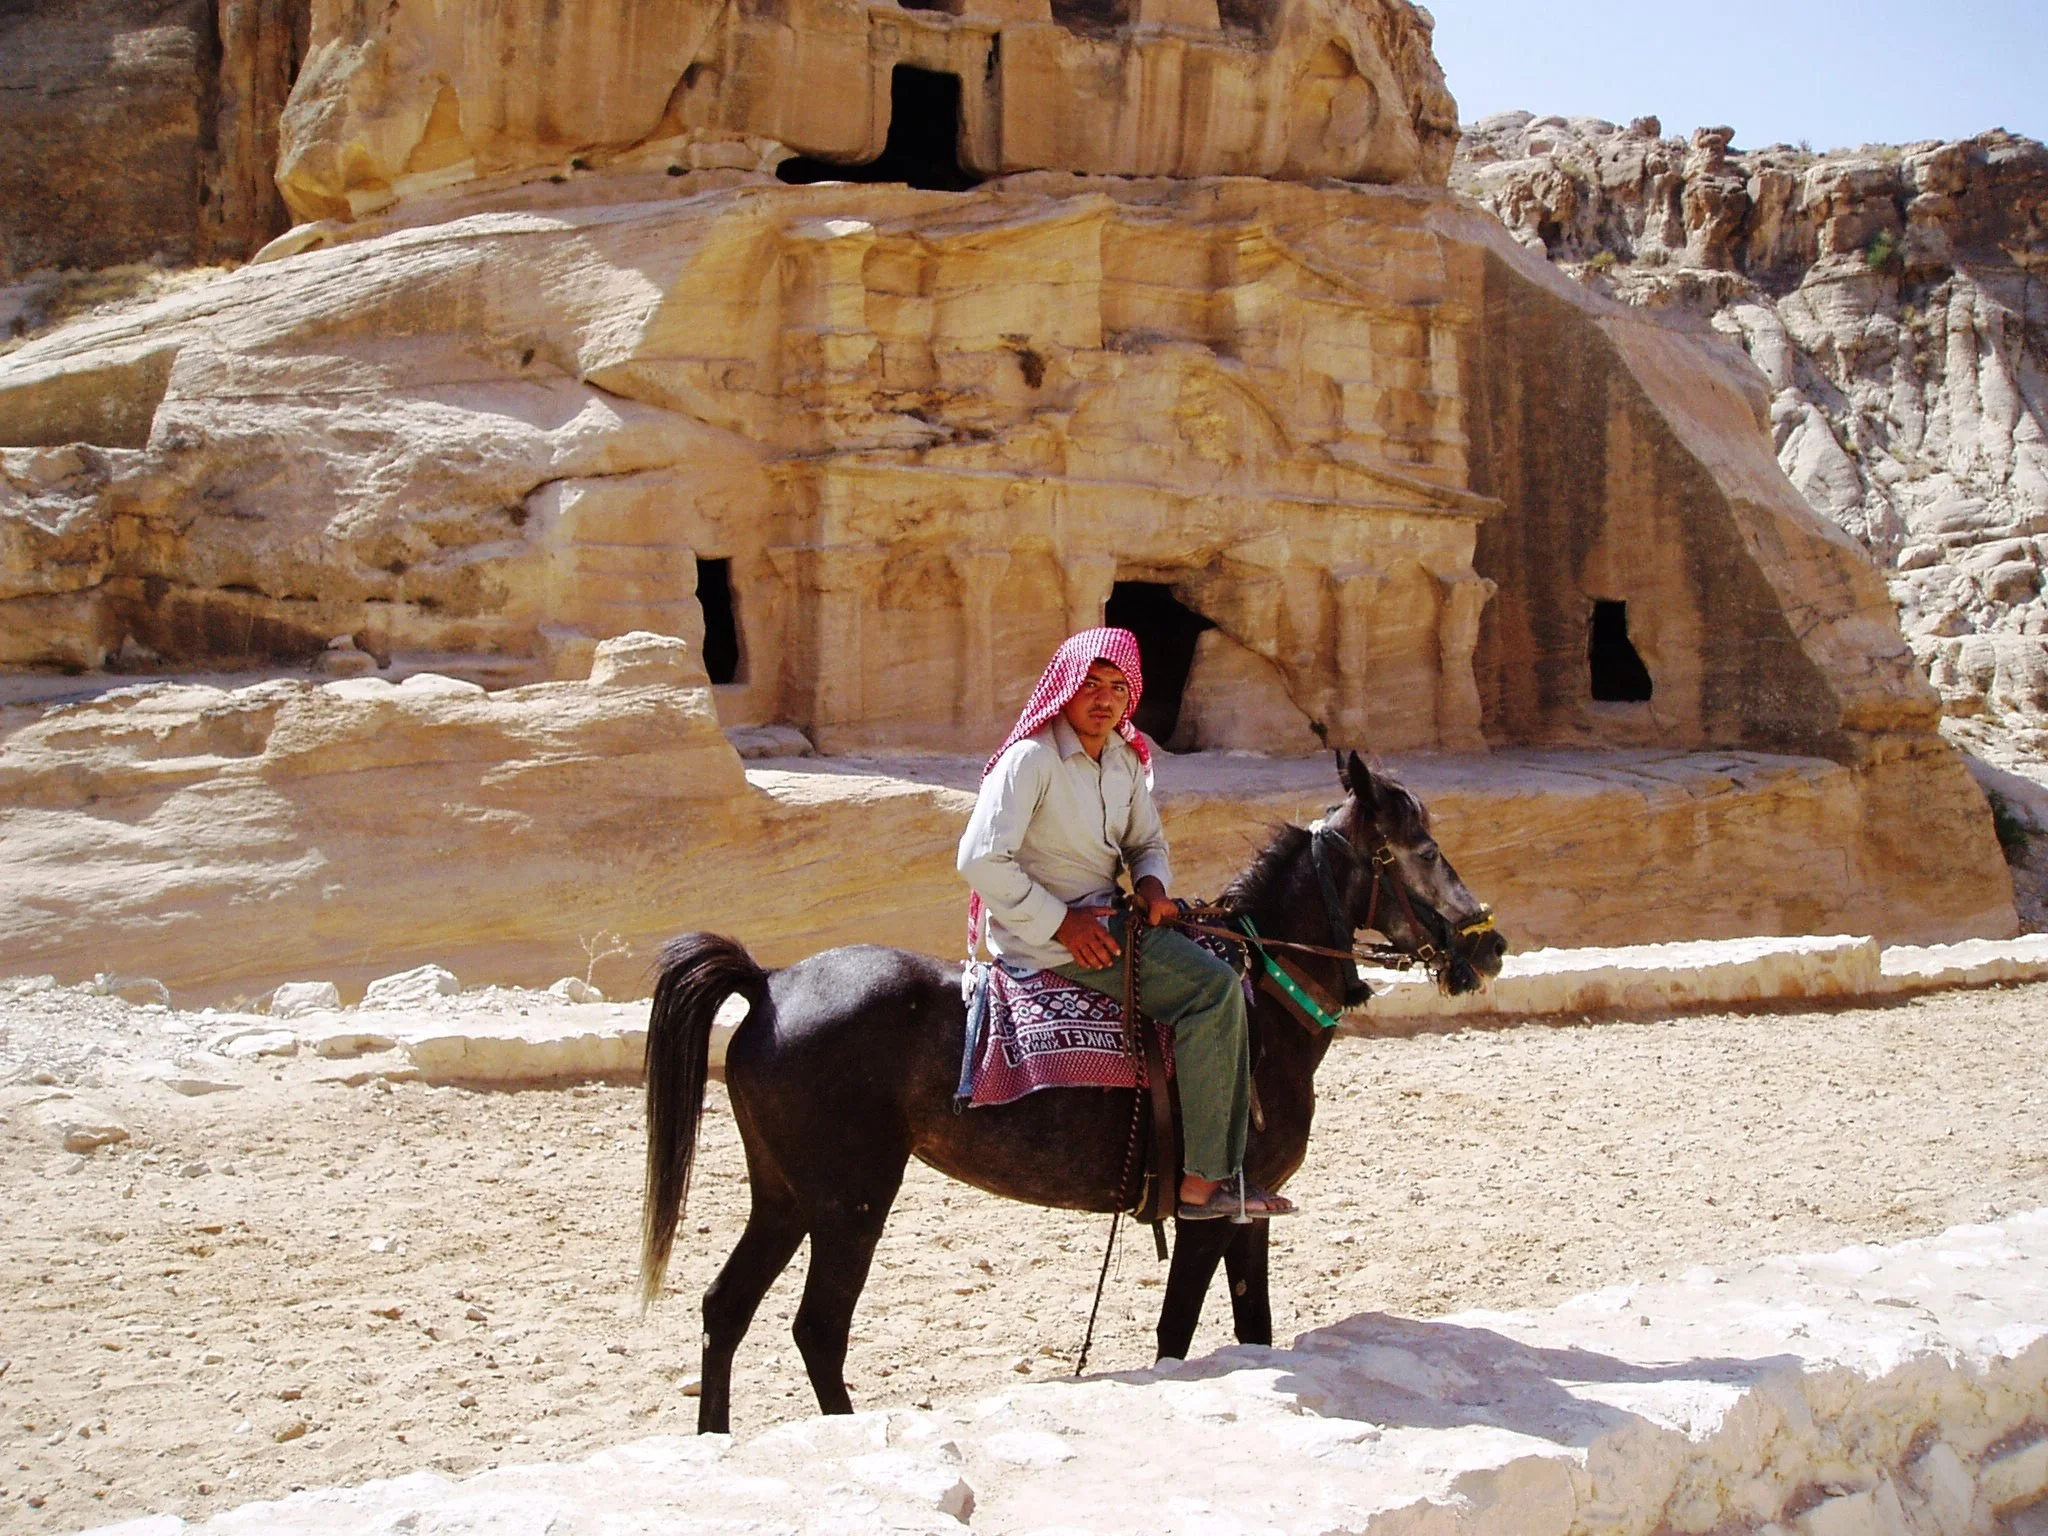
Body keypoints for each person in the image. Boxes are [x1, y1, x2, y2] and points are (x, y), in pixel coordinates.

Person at [955, 627, 1297, 1220]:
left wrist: (1152, 885)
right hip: (1049, 936)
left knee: (1226, 956)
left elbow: (1147, 841)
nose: (1104, 699)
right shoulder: (1031, 759)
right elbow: (979, 859)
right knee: (1214, 992)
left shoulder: (1123, 758)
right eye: (1090, 684)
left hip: (1113, 916)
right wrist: (1062, 925)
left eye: (1117, 688)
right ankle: (1204, 1184)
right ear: (1064, 687)